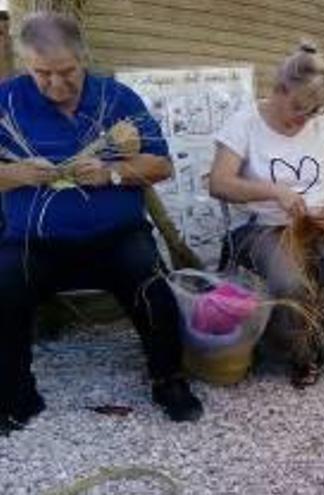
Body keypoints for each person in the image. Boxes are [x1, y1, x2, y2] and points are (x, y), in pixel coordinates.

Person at [0, 12, 202, 434]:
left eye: (66, 72)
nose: (55, 84)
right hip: (33, 242)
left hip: (116, 237)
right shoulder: (7, 101)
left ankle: (169, 380)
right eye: (42, 74)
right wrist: (13, 174)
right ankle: (15, 394)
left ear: (83, 57)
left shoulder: (118, 98)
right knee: (4, 288)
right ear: (25, 65)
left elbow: (162, 164)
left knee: (152, 287)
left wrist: (113, 172)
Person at [209, 42, 324, 388]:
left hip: (319, 223)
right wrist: (274, 191)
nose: (303, 118)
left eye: (313, 110)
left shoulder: (322, 124)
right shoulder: (245, 122)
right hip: (263, 227)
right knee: (289, 282)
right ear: (278, 89)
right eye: (298, 107)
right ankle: (300, 353)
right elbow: (219, 183)